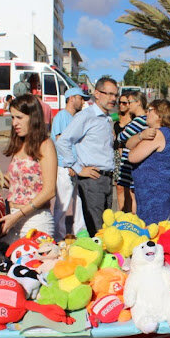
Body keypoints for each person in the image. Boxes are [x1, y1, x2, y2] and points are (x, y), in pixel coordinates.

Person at [57, 77, 117, 236]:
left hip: (106, 179)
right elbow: (63, 141)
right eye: (109, 94)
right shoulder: (86, 116)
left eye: (115, 95)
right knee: (96, 231)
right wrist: (77, 168)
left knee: (104, 227)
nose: (113, 99)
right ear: (97, 93)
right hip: (92, 180)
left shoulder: (106, 118)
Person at [0, 94, 57, 243]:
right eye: (13, 118)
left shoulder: (45, 145)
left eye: (19, 117)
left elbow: (49, 191)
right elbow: (11, 182)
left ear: (33, 117)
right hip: (14, 219)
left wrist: (17, 215)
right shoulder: (19, 144)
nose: (14, 123)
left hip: (36, 221)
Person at [127, 99, 170, 224]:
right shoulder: (164, 133)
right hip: (152, 191)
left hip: (154, 193)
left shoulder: (158, 134)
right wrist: (141, 136)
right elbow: (128, 144)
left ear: (160, 116)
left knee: (152, 232)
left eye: (150, 110)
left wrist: (141, 138)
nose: (146, 113)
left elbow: (132, 156)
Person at [51, 88, 89, 240]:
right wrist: (69, 164)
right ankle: (58, 237)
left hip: (76, 166)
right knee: (63, 205)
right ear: (72, 98)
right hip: (65, 167)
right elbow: (60, 142)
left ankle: (81, 234)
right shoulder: (62, 116)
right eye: (81, 98)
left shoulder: (75, 118)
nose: (83, 101)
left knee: (79, 203)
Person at [117, 90, 148, 214]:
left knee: (132, 195)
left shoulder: (139, 121)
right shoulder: (143, 120)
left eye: (130, 102)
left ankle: (134, 220)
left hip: (130, 164)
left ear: (138, 103)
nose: (128, 105)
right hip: (132, 162)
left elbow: (121, 136)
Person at [113, 92, 134, 212]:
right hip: (116, 154)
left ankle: (129, 212)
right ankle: (120, 213)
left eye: (124, 103)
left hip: (127, 154)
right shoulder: (117, 116)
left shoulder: (134, 119)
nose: (121, 105)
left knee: (129, 187)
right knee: (119, 186)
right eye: (119, 102)